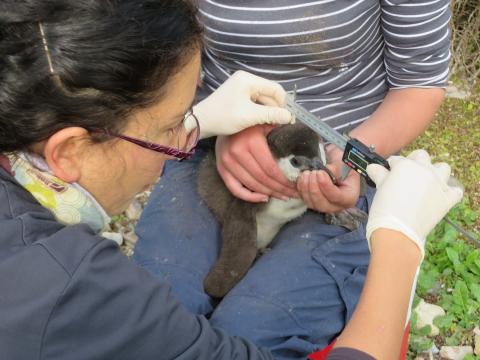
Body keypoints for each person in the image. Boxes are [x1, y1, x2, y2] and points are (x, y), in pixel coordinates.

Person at [0, 1, 462, 360]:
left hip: (344, 175)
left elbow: (419, 79)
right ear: (69, 151)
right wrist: (400, 240)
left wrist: (201, 121)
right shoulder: (67, 288)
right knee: (174, 298)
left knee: (256, 321)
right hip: (215, 166)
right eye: (174, 127)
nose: (180, 138)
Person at [133, 0, 452, 357]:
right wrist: (213, 124)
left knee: (248, 333)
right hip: (214, 155)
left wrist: (350, 157)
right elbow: (159, 58)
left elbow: (419, 82)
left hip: (346, 166)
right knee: (157, 316)